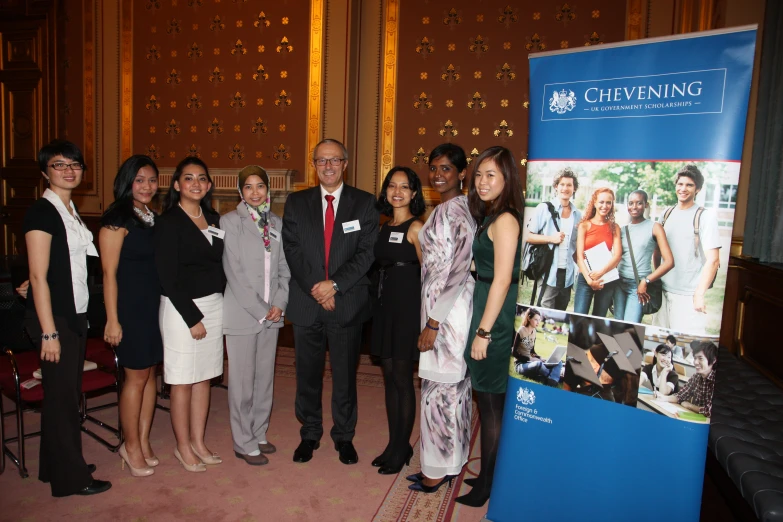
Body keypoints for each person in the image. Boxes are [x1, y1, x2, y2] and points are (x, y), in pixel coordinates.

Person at [282, 139, 378, 465]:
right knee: (307, 375)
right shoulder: (296, 203)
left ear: (345, 164)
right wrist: (318, 289)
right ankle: (309, 433)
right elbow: (292, 250)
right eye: (321, 161)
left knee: (344, 376)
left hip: (346, 302)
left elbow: (366, 253)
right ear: (314, 164)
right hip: (308, 303)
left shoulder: (364, 203)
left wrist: (334, 285)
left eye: (334, 160)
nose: (328, 166)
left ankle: (344, 436)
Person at [23, 140, 110, 496]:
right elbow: (39, 276)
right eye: (59, 165)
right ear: (45, 171)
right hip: (54, 319)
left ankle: (53, 466)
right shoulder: (42, 212)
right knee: (62, 400)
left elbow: (68, 266)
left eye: (75, 164)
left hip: (72, 314)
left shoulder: (69, 210)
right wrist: (48, 333)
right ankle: (71, 480)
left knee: (63, 395)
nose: (69, 170)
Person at [406, 143, 475, 494]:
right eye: (433, 168)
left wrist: (434, 323)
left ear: (462, 173)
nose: (437, 174)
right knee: (444, 390)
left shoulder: (460, 211)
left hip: (449, 313)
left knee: (443, 392)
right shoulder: (442, 208)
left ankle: (439, 469)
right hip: (435, 308)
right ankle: (444, 463)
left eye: (446, 168)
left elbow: (459, 270)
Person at [460, 146, 524, 507]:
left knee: (491, 404)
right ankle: (488, 476)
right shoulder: (493, 216)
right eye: (479, 174)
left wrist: (484, 332)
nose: (482, 182)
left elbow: (502, 280)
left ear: (507, 179)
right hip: (486, 303)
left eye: (491, 176)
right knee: (488, 400)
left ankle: (488, 484)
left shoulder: (505, 220)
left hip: (495, 315)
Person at [154, 157, 225, 472]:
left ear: (208, 185)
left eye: (201, 178)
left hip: (215, 305)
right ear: (177, 184)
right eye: (188, 178)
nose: (195, 183)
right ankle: (182, 446)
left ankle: (198, 440)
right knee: (182, 380)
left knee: (205, 377)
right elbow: (167, 277)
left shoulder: (214, 218)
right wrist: (192, 318)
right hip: (182, 308)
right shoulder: (168, 221)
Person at [221, 166, 291, 466]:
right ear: (240, 192)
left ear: (268, 190)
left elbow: (284, 270)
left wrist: (279, 303)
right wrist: (263, 310)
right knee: (242, 381)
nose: (254, 192)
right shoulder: (230, 221)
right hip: (242, 313)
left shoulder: (277, 222)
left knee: (264, 379)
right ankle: (243, 440)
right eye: (247, 187)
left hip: (272, 315)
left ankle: (259, 431)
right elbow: (234, 273)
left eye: (260, 186)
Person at [99, 155, 163, 477]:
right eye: (140, 180)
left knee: (150, 374)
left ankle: (143, 439)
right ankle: (130, 444)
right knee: (135, 377)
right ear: (127, 182)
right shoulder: (116, 218)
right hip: (130, 309)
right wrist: (112, 319)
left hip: (153, 306)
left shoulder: (152, 217)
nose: (147, 186)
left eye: (152, 180)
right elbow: (108, 274)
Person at [370, 166, 425, 475]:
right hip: (385, 306)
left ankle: (403, 447)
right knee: (389, 378)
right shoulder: (384, 225)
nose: (398, 191)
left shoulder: (417, 228)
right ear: (386, 191)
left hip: (407, 307)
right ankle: (394, 444)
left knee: (403, 380)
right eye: (392, 185)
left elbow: (429, 272)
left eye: (405, 187)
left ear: (414, 194)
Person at [653, 165, 720, 335]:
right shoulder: (666, 214)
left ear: (698, 189)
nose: (683, 189)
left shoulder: (705, 216)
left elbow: (713, 260)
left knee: (686, 352)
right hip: (663, 292)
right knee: (658, 347)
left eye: (689, 185)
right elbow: (657, 251)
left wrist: (699, 294)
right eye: (680, 184)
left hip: (687, 296)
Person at [613, 190, 674, 323]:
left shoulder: (655, 227)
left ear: (646, 205)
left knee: (630, 328)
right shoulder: (622, 230)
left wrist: (646, 281)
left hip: (638, 286)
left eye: (639, 203)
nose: (634, 207)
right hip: (619, 284)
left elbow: (669, 262)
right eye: (631, 203)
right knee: (617, 325)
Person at [524, 168, 582, 309]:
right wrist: (551, 238)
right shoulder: (543, 209)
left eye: (569, 185)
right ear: (556, 186)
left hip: (567, 273)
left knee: (561, 311)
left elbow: (575, 246)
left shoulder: (577, 215)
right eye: (562, 184)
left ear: (574, 188)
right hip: (548, 272)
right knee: (543, 311)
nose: (565, 188)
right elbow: (528, 236)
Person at [574, 188, 621, 317]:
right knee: (579, 317)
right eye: (601, 202)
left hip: (606, 279)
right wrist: (590, 281)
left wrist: (600, 273)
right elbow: (579, 257)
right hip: (586, 278)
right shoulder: (584, 225)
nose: (604, 206)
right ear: (594, 203)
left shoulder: (614, 227)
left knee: (598, 319)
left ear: (612, 205)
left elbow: (617, 256)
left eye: (608, 203)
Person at [655, 341, 716, 417]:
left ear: (713, 360)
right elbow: (680, 396)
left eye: (700, 358)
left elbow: (710, 411)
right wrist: (664, 398)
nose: (695, 362)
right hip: (695, 419)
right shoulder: (696, 377)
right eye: (695, 358)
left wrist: (690, 406)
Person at [512, 308, 563, 387]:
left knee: (558, 361)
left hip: (531, 361)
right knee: (538, 365)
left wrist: (540, 357)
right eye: (536, 319)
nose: (538, 322)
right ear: (529, 318)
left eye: (539, 320)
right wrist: (528, 359)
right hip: (521, 364)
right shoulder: (521, 330)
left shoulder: (534, 331)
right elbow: (513, 352)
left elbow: (532, 351)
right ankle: (554, 378)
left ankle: (551, 379)